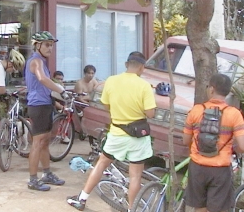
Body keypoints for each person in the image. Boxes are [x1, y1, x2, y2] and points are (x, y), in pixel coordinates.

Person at [67, 51, 156, 211]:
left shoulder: (111, 81)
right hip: (138, 137)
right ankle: (131, 209)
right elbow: (150, 113)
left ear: (126, 64)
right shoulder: (144, 86)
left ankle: (82, 199)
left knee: (101, 164)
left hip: (116, 133)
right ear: (142, 68)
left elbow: (107, 106)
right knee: (135, 175)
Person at [183, 73, 244, 212]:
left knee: (199, 207)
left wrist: (197, 150)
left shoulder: (196, 110)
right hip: (220, 169)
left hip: (197, 166)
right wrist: (232, 148)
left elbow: (186, 140)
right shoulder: (234, 114)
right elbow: (243, 146)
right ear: (228, 91)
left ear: (211, 89)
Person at [25, 31, 70, 191]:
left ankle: (47, 173)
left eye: (51, 45)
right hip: (38, 106)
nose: (50, 48)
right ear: (37, 45)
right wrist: (61, 90)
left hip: (45, 104)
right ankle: (32, 180)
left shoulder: (41, 61)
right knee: (38, 143)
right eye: (47, 45)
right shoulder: (36, 61)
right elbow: (43, 79)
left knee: (44, 142)